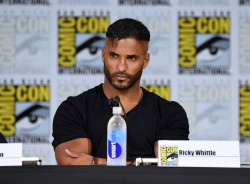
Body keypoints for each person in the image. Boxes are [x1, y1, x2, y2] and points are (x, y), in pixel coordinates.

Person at [52, 18, 189, 165]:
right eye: (114, 56)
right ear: (103, 55)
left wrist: (95, 162)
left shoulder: (170, 113)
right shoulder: (73, 109)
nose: (121, 67)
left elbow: (170, 167)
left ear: (146, 60)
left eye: (131, 58)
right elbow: (72, 164)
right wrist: (140, 165)